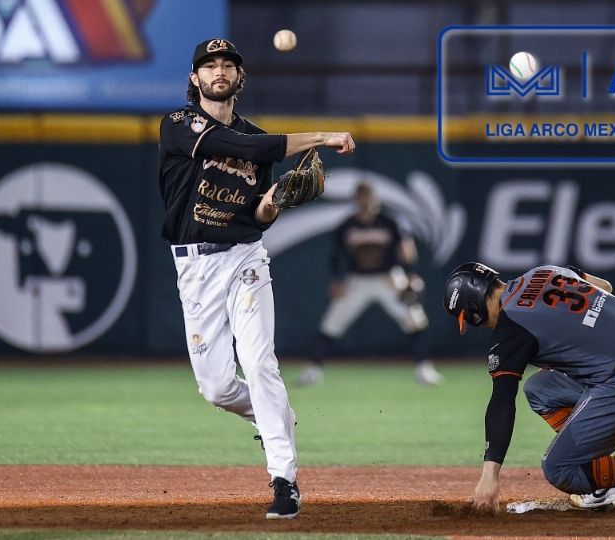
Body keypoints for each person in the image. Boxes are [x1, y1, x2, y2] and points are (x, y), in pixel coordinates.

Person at [158, 37, 355, 520]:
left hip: (245, 259)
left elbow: (259, 213)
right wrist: (321, 135)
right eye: (209, 65)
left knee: (260, 362)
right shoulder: (179, 125)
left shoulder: (257, 139)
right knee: (217, 388)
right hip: (195, 266)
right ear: (194, 78)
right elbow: (238, 145)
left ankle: (284, 480)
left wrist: (276, 202)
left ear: (239, 78)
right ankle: (276, 418)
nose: (219, 71)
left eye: (227, 65)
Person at [442, 262, 615, 515]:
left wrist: (490, 476)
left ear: (474, 309)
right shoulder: (542, 273)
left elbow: (502, 402)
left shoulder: (510, 330)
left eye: (470, 319)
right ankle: (605, 484)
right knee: (540, 389)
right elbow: (605, 287)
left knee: (559, 470)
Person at [297, 182, 443, 386]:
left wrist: (410, 275)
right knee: (332, 322)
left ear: (375, 199)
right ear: (356, 200)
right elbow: (336, 255)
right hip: (358, 279)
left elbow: (407, 249)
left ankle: (424, 368)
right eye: (361, 197)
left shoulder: (390, 222)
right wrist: (336, 279)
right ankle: (313, 370)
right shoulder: (347, 225)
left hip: (389, 278)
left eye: (368, 196)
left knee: (414, 318)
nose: (365, 201)